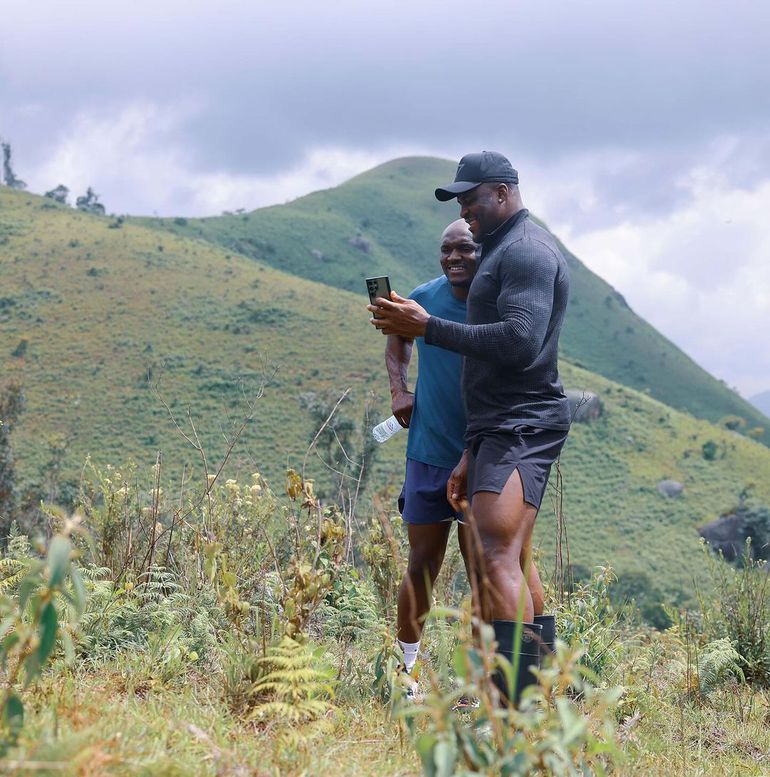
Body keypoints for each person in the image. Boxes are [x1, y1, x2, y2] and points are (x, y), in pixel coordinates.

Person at [369, 151, 570, 704]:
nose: (464, 211)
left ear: (502, 192)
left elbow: (520, 341)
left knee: (498, 555)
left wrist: (429, 328)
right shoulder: (502, 251)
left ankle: (515, 704)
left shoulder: (524, 251)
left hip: (520, 423)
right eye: (458, 203)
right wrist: (469, 447)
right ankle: (532, 690)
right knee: (502, 553)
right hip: (489, 429)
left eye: (472, 199)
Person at [386, 219, 478, 693]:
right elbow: (397, 335)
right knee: (421, 562)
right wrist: (399, 390)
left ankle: (482, 684)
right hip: (427, 452)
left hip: (482, 456)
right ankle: (406, 674)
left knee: (484, 571)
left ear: (484, 251)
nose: (453, 258)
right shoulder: (424, 296)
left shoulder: (495, 303)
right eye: (446, 249)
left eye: (465, 249)